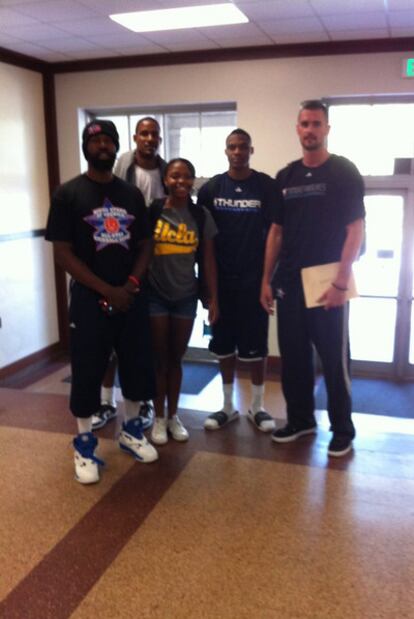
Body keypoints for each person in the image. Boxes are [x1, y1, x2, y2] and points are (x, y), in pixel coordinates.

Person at [45, 119, 158, 484]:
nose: (103, 147)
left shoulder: (130, 194)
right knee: (88, 372)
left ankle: (131, 431)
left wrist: (131, 284)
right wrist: (106, 290)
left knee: (139, 366)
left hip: (131, 296)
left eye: (109, 141)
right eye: (96, 142)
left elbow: (144, 245)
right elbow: (62, 253)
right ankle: (84, 443)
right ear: (85, 147)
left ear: (116, 146)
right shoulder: (68, 194)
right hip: (89, 300)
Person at [260, 99, 365, 457]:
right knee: (293, 357)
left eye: (316, 124)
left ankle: (343, 429)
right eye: (304, 124)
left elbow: (355, 230)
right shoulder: (285, 176)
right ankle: (301, 419)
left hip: (327, 282)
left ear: (327, 129)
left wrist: (340, 281)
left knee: (335, 361)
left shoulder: (343, 171)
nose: (310, 130)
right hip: (289, 281)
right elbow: (275, 232)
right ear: (297, 129)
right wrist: (265, 280)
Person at [197, 129, 277, 432]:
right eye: (232, 147)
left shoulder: (266, 187)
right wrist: (210, 294)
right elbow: (204, 245)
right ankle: (228, 406)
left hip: (254, 283)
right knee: (223, 346)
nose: (237, 151)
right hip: (222, 283)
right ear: (226, 151)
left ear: (251, 150)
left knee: (256, 348)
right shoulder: (211, 189)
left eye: (243, 147)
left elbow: (274, 235)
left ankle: (257, 406)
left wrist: (267, 282)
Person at [92, 117, 166, 431]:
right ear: (136, 137)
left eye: (154, 134)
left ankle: (142, 402)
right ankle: (106, 401)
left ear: (159, 140)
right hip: (118, 262)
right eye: (144, 133)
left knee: (140, 342)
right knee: (108, 341)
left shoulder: (165, 170)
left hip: (153, 263)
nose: (150, 139)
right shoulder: (121, 169)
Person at [148, 158, 219, 445]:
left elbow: (209, 261)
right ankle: (158, 418)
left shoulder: (201, 216)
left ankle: (174, 416)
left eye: (187, 177)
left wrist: (213, 298)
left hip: (185, 297)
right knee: (158, 359)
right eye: (175, 176)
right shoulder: (152, 212)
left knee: (176, 359)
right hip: (155, 295)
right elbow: (140, 251)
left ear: (193, 181)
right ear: (165, 179)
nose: (181, 182)